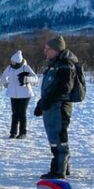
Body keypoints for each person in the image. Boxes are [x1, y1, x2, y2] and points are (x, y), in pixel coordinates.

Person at [34, 35, 79, 179]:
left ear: (56, 50)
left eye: (47, 49)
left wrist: (47, 101)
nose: (45, 52)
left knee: (59, 137)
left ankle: (58, 170)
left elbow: (64, 87)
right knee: (55, 137)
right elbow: (51, 87)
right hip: (52, 106)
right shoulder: (55, 64)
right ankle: (63, 167)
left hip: (59, 107)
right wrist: (42, 103)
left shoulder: (65, 65)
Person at [0, 50, 37, 139]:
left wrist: (27, 79)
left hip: (25, 94)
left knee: (22, 113)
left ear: (18, 61)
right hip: (13, 94)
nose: (11, 62)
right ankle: (13, 132)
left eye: (13, 61)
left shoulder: (25, 67)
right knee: (15, 113)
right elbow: (3, 77)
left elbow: (35, 78)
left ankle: (23, 133)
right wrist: (6, 84)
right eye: (11, 61)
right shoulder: (9, 68)